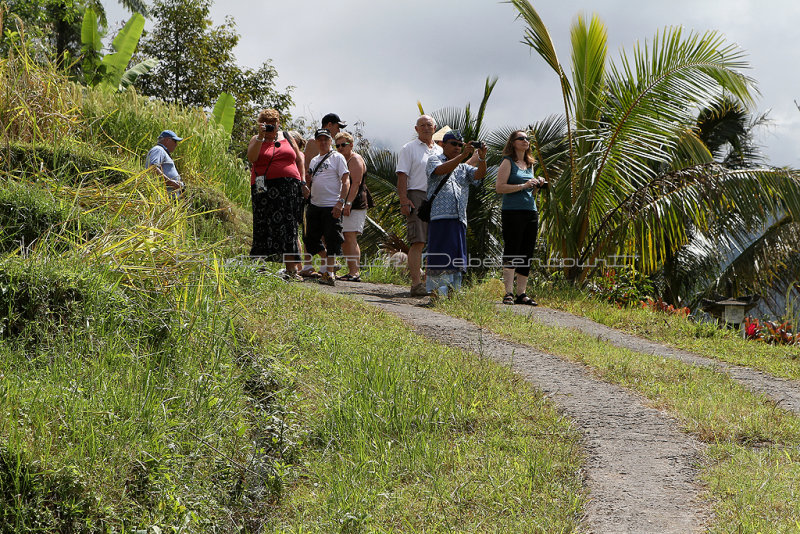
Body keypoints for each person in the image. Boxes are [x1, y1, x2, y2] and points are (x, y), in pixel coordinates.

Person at [424, 131, 487, 297]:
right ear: (443, 145)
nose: (457, 147)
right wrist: (464, 156)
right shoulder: (434, 159)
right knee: (440, 253)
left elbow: (479, 175)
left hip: (459, 217)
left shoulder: (464, 167)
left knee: (456, 255)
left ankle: (453, 290)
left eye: (460, 145)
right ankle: (437, 290)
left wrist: (481, 158)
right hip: (440, 215)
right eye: (453, 143)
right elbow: (439, 171)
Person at [246, 108, 305, 279]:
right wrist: (260, 136)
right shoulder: (256, 139)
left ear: (278, 123)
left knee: (289, 226)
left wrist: (302, 182)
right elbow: (252, 158)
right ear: (261, 124)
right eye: (266, 124)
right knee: (262, 224)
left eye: (273, 124)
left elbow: (299, 159)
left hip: (289, 187)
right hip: (263, 187)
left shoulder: (287, 137)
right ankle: (259, 267)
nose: (271, 127)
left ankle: (292, 270)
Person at [495, 130, 546, 305]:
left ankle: (521, 293)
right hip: (512, 211)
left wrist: (536, 184)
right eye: (521, 138)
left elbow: (529, 191)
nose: (525, 141)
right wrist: (524, 185)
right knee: (512, 249)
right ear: (513, 142)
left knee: (527, 251)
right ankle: (508, 292)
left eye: (527, 139)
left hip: (530, 211)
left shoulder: (530, 164)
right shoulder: (508, 162)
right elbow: (500, 187)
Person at [396, 115, 443, 296]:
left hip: (438, 197)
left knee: (436, 241)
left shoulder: (440, 150)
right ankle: (416, 284)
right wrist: (403, 199)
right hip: (417, 195)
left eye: (429, 125)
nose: (425, 128)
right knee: (418, 240)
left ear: (435, 127)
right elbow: (402, 175)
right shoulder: (409, 148)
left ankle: (432, 282)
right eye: (421, 125)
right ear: (416, 129)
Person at [303, 128, 350, 286]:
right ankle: (329, 263)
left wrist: (341, 202)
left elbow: (346, 181)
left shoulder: (337, 158)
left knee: (332, 239)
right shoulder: (315, 160)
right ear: (316, 142)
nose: (323, 142)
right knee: (311, 239)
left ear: (330, 141)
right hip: (315, 204)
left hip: (332, 204)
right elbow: (312, 181)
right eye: (320, 139)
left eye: (326, 139)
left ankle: (329, 273)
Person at [335, 131, 370, 281]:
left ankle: (355, 272)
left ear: (351, 144)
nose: (341, 148)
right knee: (344, 236)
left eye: (344, 144)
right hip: (345, 202)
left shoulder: (355, 159)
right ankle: (351, 271)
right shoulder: (342, 159)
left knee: (350, 235)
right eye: (338, 145)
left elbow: (355, 183)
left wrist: (347, 203)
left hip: (355, 203)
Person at [145, 130, 185, 195]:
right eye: (175, 141)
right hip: (162, 197)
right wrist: (171, 183)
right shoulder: (158, 149)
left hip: (169, 197)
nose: (176, 145)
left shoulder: (161, 151)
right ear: (167, 140)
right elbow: (152, 168)